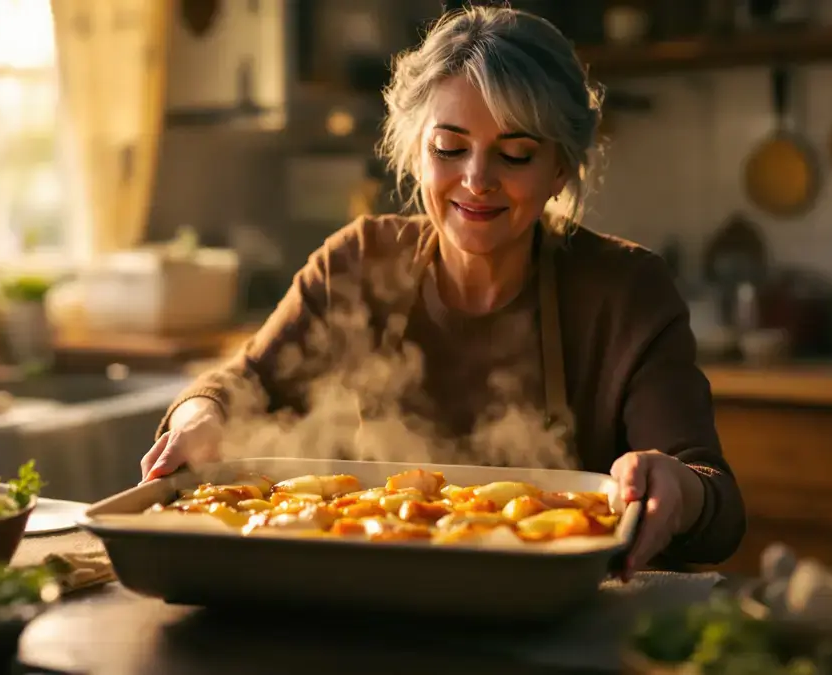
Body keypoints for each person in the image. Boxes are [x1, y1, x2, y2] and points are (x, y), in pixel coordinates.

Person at [141, 6, 745, 574]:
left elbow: (718, 507)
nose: (476, 180)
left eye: (515, 154)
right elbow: (236, 386)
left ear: (560, 168)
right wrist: (201, 415)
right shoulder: (356, 263)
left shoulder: (626, 290)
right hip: (365, 601)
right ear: (416, 151)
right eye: (450, 148)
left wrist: (678, 488)